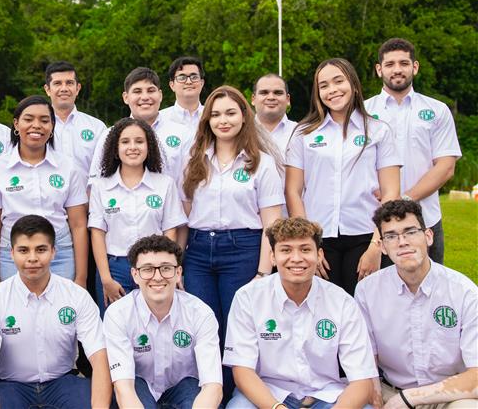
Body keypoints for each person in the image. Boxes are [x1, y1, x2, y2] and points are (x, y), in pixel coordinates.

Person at [180, 85, 284, 399]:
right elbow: (184, 214)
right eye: (215, 114)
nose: (223, 120)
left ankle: (239, 396)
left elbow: (272, 224)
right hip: (198, 252)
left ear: (244, 117)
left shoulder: (261, 163)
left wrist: (263, 272)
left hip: (243, 250)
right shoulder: (194, 160)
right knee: (205, 327)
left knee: (237, 329)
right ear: (207, 120)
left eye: (230, 113)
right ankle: (211, 396)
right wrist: (179, 263)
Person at [224, 217, 377, 409]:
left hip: (327, 396)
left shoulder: (342, 302)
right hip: (268, 395)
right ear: (272, 257)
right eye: (286, 250)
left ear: (319, 255)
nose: (296, 258)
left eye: (305, 250)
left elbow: (362, 380)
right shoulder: (248, 297)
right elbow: (242, 371)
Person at [285, 58, 402, 296]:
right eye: (324, 85)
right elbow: (293, 191)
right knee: (322, 309)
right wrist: (307, 244)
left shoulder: (378, 130)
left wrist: (376, 246)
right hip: (319, 237)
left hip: (365, 236)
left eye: (339, 81)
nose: (332, 90)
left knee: (364, 307)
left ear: (354, 85)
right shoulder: (303, 134)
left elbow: (391, 193)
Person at [0, 215, 112, 409]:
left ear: (53, 252)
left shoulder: (77, 296)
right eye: (23, 250)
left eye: (41, 249)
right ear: (11, 253)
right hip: (12, 386)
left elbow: (99, 358)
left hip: (62, 383)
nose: (32, 258)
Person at [355, 200, 477, 409]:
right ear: (382, 246)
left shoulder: (464, 292)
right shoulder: (367, 291)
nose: (402, 242)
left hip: (448, 394)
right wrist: (377, 399)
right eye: (391, 236)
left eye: (410, 232)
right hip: (390, 391)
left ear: (428, 236)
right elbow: (367, 362)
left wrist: (411, 398)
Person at [364, 38, 461, 264]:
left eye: (404, 63)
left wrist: (402, 199)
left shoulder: (437, 110)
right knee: (374, 285)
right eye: (390, 64)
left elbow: (446, 167)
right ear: (379, 69)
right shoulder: (362, 112)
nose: (397, 69)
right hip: (371, 224)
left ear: (415, 67)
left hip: (425, 218)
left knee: (428, 284)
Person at [104, 234, 223, 409]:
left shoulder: (201, 313)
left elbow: (213, 387)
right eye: (148, 269)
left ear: (178, 273)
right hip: (140, 389)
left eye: (166, 268)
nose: (158, 277)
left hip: (185, 389)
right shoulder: (118, 314)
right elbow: (124, 388)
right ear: (135, 275)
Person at [0, 96, 89, 287]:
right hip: (12, 251)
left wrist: (81, 278)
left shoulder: (68, 166)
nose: (36, 125)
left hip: (59, 251)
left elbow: (79, 224)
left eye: (44, 120)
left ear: (52, 127)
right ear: (16, 124)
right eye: (28, 119)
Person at [89, 118, 187, 313]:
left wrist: (167, 269)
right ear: (115, 148)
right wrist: (106, 278)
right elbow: (98, 233)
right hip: (115, 268)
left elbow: (170, 231)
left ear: (149, 147)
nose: (132, 147)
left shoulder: (165, 184)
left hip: (155, 269)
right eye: (125, 142)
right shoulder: (101, 186)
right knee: (116, 325)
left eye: (139, 141)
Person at [90, 67, 189, 189]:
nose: (145, 97)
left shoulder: (183, 134)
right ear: (126, 97)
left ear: (160, 95)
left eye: (151, 90)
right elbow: (95, 183)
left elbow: (192, 184)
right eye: (137, 91)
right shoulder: (110, 135)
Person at [43, 60, 106, 177]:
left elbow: (105, 168)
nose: (64, 88)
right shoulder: (37, 128)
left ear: (77, 88)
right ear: (47, 90)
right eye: (57, 83)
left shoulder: (97, 127)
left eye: (69, 83)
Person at [252, 73, 297, 153]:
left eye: (278, 93)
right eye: (264, 93)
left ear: (288, 99)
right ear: (253, 99)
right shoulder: (240, 132)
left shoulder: (300, 132)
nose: (271, 97)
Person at [160, 56, 206, 131]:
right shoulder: (160, 119)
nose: (189, 82)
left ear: (202, 83)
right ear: (172, 85)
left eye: (194, 77)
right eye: (182, 78)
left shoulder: (212, 116)